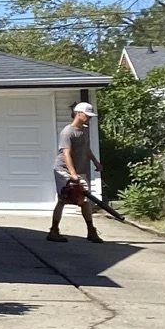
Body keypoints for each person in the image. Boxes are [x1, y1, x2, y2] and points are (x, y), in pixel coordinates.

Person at [49, 101, 102, 243]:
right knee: (64, 198)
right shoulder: (68, 132)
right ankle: (54, 231)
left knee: (83, 200)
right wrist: (72, 174)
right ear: (78, 114)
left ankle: (91, 231)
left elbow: (86, 149)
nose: (89, 118)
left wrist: (96, 162)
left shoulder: (84, 130)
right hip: (64, 170)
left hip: (79, 170)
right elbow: (66, 153)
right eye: (87, 115)